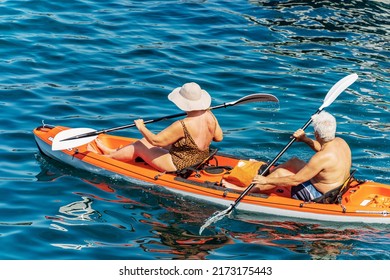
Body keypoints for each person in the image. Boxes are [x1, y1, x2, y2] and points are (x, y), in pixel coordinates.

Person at [88, 82, 223, 172]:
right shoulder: (210, 115)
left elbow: (156, 141)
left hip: (179, 164)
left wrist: (141, 127)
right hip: (200, 157)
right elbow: (218, 137)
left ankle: (106, 159)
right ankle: (111, 151)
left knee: (140, 146)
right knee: (144, 141)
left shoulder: (182, 125)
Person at [224, 111, 352, 202]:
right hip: (338, 185)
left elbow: (296, 180)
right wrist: (304, 139)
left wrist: (267, 181)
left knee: (280, 173)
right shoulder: (340, 142)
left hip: (323, 195)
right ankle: (268, 173)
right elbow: (322, 148)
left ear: (317, 134)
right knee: (294, 161)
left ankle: (243, 189)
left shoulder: (321, 158)